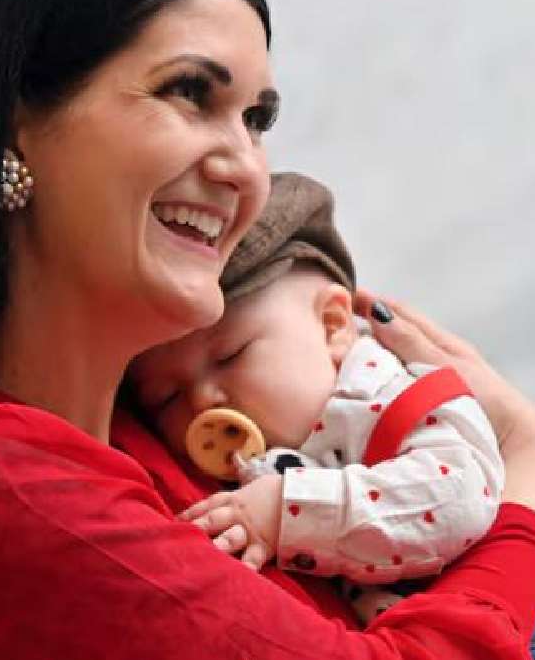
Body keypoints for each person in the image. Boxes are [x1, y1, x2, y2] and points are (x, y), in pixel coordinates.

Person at [0, 0, 535, 659]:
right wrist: (528, 471)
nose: (246, 169)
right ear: (16, 123)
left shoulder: (163, 450)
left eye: (256, 120)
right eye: (190, 92)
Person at [128, 172, 506, 626]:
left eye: (232, 355)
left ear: (332, 325)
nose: (203, 401)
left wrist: (287, 511)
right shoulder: (240, 475)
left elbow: (460, 500)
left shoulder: (393, 400)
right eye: (166, 398)